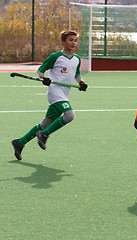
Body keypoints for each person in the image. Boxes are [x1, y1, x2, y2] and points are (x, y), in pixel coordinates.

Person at [11, 30, 88, 160]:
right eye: (70, 40)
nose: (73, 43)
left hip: (65, 93)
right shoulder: (56, 56)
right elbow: (40, 70)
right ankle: (44, 135)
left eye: (75, 40)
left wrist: (81, 82)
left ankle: (19, 143)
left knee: (46, 123)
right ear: (63, 42)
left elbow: (76, 73)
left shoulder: (77, 59)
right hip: (55, 92)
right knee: (69, 115)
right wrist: (43, 78)